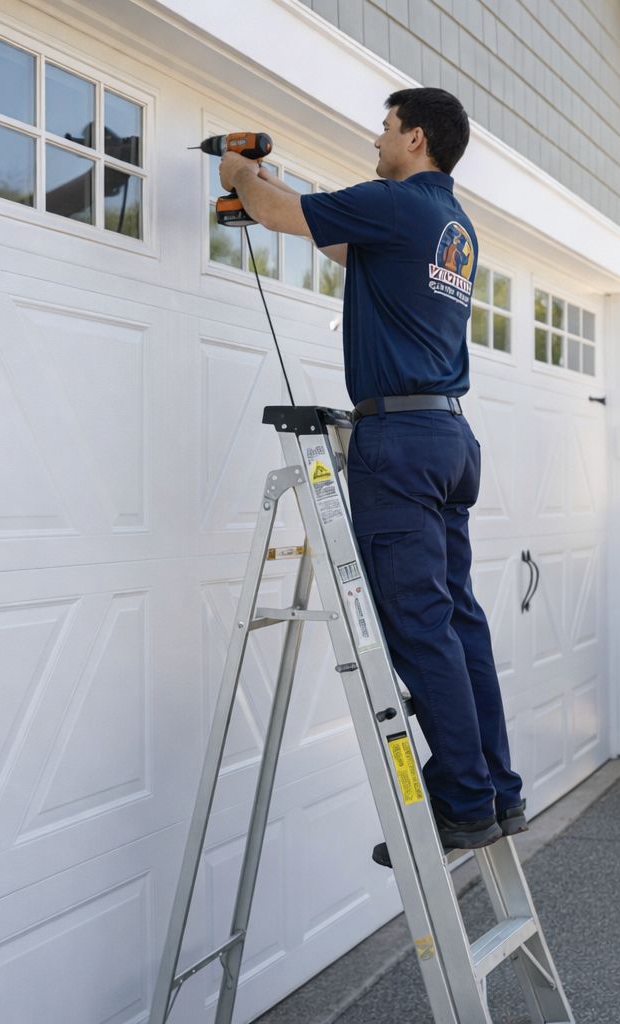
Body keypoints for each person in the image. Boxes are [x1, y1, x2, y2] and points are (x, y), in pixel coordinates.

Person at [219, 88, 523, 851]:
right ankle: (497, 789)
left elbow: (280, 214)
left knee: (417, 624)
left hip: (403, 444)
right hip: (448, 438)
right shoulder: (448, 224)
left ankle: (463, 800)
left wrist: (239, 174)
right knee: (457, 620)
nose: (376, 139)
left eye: (385, 128)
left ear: (415, 138)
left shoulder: (396, 202)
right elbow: (344, 248)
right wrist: (270, 190)